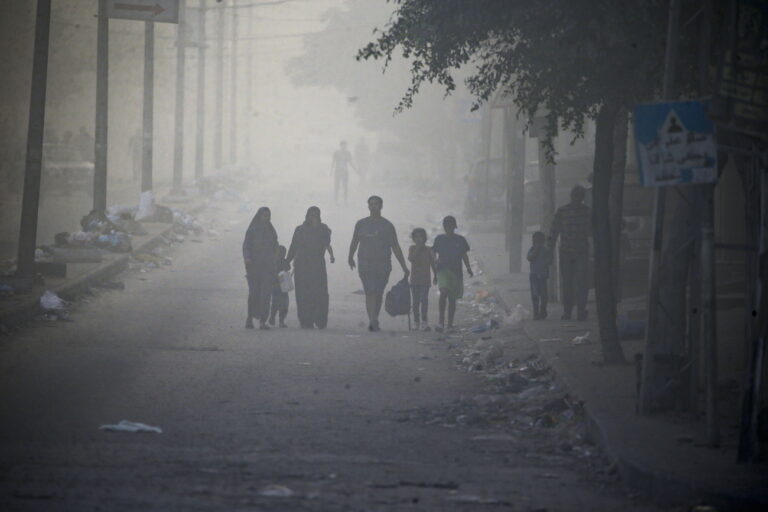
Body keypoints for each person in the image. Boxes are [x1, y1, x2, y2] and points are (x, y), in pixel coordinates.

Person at [348, 195, 409, 331]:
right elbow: (355, 241)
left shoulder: (387, 226)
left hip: (383, 264)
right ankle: (372, 320)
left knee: (379, 292)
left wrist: (404, 266)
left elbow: (395, 246)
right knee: (370, 291)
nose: (374, 206)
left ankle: (374, 316)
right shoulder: (361, 224)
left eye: (377, 204)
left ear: (381, 206)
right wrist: (350, 256)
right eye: (372, 204)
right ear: (368, 206)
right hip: (365, 263)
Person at [286, 206, 335, 329]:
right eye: (311, 215)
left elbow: (326, 241)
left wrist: (317, 227)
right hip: (302, 266)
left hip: (317, 266)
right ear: (307, 216)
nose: (313, 217)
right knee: (302, 293)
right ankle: (305, 320)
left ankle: (320, 320)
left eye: (316, 215)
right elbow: (293, 246)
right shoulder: (299, 230)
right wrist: (287, 261)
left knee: (320, 293)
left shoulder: (324, 229)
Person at [549, 184, 592, 321]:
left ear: (571, 196)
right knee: (581, 283)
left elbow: (553, 232)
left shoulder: (562, 211)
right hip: (581, 252)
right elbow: (593, 231)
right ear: (583, 197)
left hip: (566, 252)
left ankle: (567, 312)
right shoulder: (587, 212)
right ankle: (580, 311)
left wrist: (549, 251)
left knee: (567, 283)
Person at [432, 216, 473, 332]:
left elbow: (464, 255)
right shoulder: (439, 239)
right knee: (443, 292)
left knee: (452, 298)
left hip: (456, 271)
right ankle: (440, 322)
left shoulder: (460, 240)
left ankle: (449, 324)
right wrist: (435, 260)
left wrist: (469, 268)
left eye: (451, 226)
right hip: (443, 270)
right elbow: (433, 251)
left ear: (454, 227)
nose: (449, 228)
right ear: (444, 227)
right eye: (447, 226)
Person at [243, 207, 279, 330]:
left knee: (266, 295)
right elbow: (246, 246)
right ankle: (249, 318)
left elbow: (275, 248)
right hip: (254, 268)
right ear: (259, 216)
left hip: (268, 269)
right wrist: (247, 259)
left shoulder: (271, 231)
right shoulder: (252, 230)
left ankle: (263, 321)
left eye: (268, 216)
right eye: (264, 216)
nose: (266, 218)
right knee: (254, 294)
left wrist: (276, 263)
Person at [408, 228, 437, 331]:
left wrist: (436, 275)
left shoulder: (429, 250)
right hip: (414, 280)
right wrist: (418, 248)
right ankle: (416, 322)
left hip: (425, 279)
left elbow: (434, 263)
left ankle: (424, 322)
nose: (419, 239)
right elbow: (411, 259)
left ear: (425, 238)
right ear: (413, 239)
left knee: (424, 300)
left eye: (421, 237)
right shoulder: (412, 248)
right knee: (415, 302)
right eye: (416, 237)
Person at [527, 231, 552, 320]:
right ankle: (536, 313)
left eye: (539, 242)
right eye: (536, 242)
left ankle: (543, 311)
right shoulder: (532, 249)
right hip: (534, 276)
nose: (538, 244)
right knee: (535, 295)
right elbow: (529, 257)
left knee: (544, 296)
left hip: (542, 276)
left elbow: (549, 261)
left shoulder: (545, 250)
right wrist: (536, 251)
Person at [268, 245, 291, 328]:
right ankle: (280, 320)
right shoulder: (284, 261)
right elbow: (288, 267)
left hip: (277, 284)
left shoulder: (274, 261)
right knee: (284, 304)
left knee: (276, 303)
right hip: (283, 283)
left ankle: (273, 317)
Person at [331, 140, 355, 205]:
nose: (344, 146)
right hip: (338, 171)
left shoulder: (348, 153)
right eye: (343, 145)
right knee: (337, 186)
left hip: (345, 172)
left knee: (345, 186)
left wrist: (355, 169)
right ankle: (336, 200)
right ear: (340, 145)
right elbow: (333, 162)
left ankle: (345, 200)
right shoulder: (336, 153)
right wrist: (331, 170)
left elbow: (350, 162)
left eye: (345, 145)